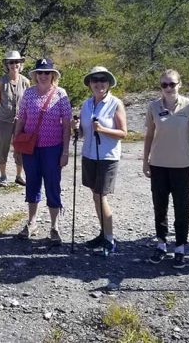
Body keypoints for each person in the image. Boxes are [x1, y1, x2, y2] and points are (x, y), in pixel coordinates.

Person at [142, 69, 189, 268]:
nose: (168, 88)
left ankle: (180, 246)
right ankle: (161, 243)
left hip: (182, 164)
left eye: (172, 84)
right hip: (158, 163)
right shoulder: (153, 106)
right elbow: (149, 134)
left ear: (179, 84)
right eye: (164, 85)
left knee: (182, 206)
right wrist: (145, 160)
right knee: (160, 205)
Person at [14, 58, 72, 245]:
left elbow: (67, 126)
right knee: (32, 184)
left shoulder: (61, 94)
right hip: (31, 149)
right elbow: (21, 120)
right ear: (35, 75)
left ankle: (54, 226)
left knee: (53, 186)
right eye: (40, 72)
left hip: (53, 149)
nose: (43, 76)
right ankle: (31, 222)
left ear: (53, 75)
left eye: (47, 72)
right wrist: (16, 145)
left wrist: (65, 152)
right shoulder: (28, 94)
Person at [79, 66, 127, 256]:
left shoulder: (115, 103)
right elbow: (84, 131)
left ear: (108, 83)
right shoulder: (86, 104)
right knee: (95, 195)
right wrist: (77, 128)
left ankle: (109, 238)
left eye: (103, 80)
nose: (99, 83)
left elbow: (123, 133)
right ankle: (103, 233)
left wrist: (103, 130)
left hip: (107, 157)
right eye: (95, 80)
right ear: (90, 84)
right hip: (89, 154)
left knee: (101, 196)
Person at [0, 51, 30, 187]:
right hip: (3, 120)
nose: (14, 65)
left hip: (21, 121)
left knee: (20, 147)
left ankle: (19, 176)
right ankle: (3, 176)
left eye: (17, 62)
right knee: (2, 147)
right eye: (11, 62)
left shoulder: (26, 82)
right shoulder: (1, 82)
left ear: (21, 64)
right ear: (7, 65)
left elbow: (28, 100)